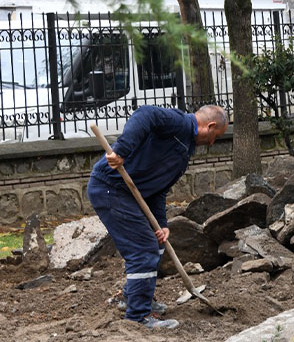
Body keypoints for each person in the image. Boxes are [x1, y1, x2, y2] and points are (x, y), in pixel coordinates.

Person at [87, 104, 228, 329]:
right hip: (110, 188)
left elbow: (158, 188)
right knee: (143, 249)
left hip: (127, 193)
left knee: (155, 241)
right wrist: (122, 150)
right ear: (209, 126)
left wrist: (161, 224)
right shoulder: (179, 123)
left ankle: (131, 297)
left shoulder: (185, 148)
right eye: (215, 136)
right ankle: (138, 317)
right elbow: (145, 114)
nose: (212, 143)